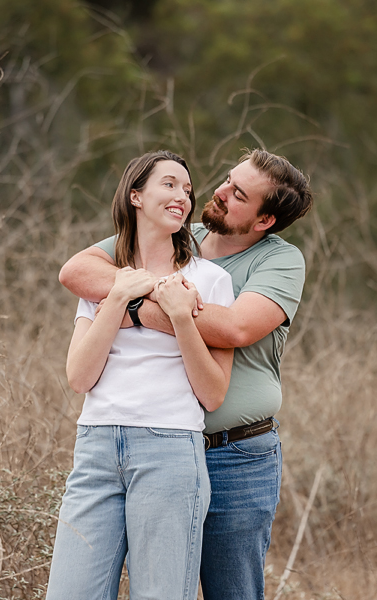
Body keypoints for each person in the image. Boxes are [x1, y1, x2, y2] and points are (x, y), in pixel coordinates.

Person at [58, 148, 314, 600]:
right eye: (226, 180)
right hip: (140, 439)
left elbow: (235, 328)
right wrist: (148, 292)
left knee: (229, 591)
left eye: (237, 194)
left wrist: (137, 309)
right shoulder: (174, 232)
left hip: (235, 452)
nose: (216, 193)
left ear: (263, 221)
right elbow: (79, 271)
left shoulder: (279, 261)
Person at [46, 150, 235, 600]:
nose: (182, 197)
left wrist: (182, 318)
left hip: (170, 452)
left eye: (187, 189)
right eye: (169, 184)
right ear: (135, 195)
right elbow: (79, 377)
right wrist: (117, 298)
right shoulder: (104, 281)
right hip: (96, 447)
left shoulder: (209, 281)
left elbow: (212, 395)